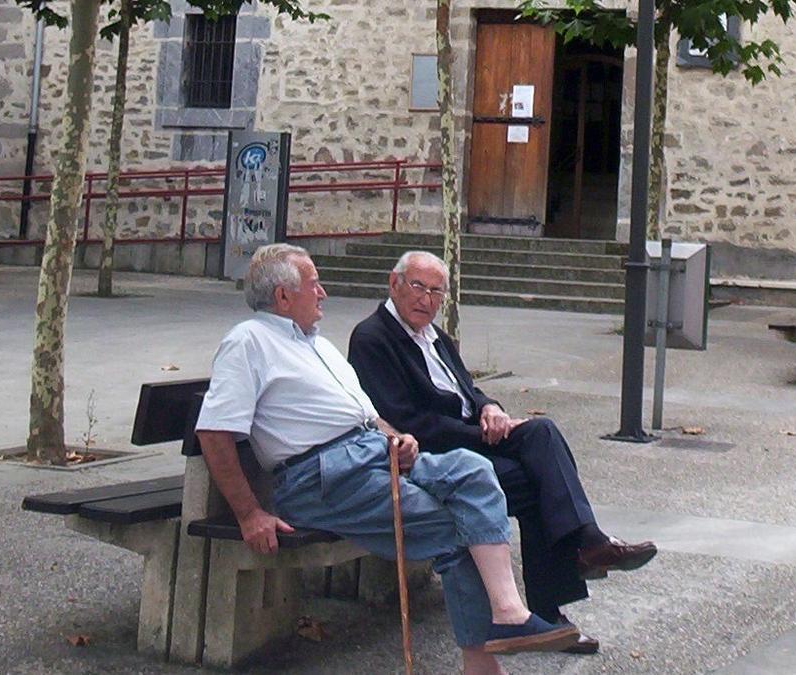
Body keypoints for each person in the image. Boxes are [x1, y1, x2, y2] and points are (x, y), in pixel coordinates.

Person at [194, 244, 578, 675]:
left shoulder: (313, 344)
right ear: (283, 296)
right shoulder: (249, 341)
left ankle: (509, 612)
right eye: (314, 284)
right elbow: (214, 430)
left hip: (370, 455)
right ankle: (484, 662)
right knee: (455, 528)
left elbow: (366, 414)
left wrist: (398, 438)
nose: (323, 293)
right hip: (321, 477)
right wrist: (248, 513)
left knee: (474, 470)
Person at [347, 250, 658, 655]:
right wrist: (480, 431)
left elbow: (468, 391)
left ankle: (586, 548)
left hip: (468, 438)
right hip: (432, 457)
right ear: (394, 284)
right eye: (418, 287)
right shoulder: (373, 338)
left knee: (541, 432)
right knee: (534, 485)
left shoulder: (435, 337)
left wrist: (491, 408)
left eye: (436, 292)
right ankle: (568, 578)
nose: (426, 299)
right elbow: (406, 420)